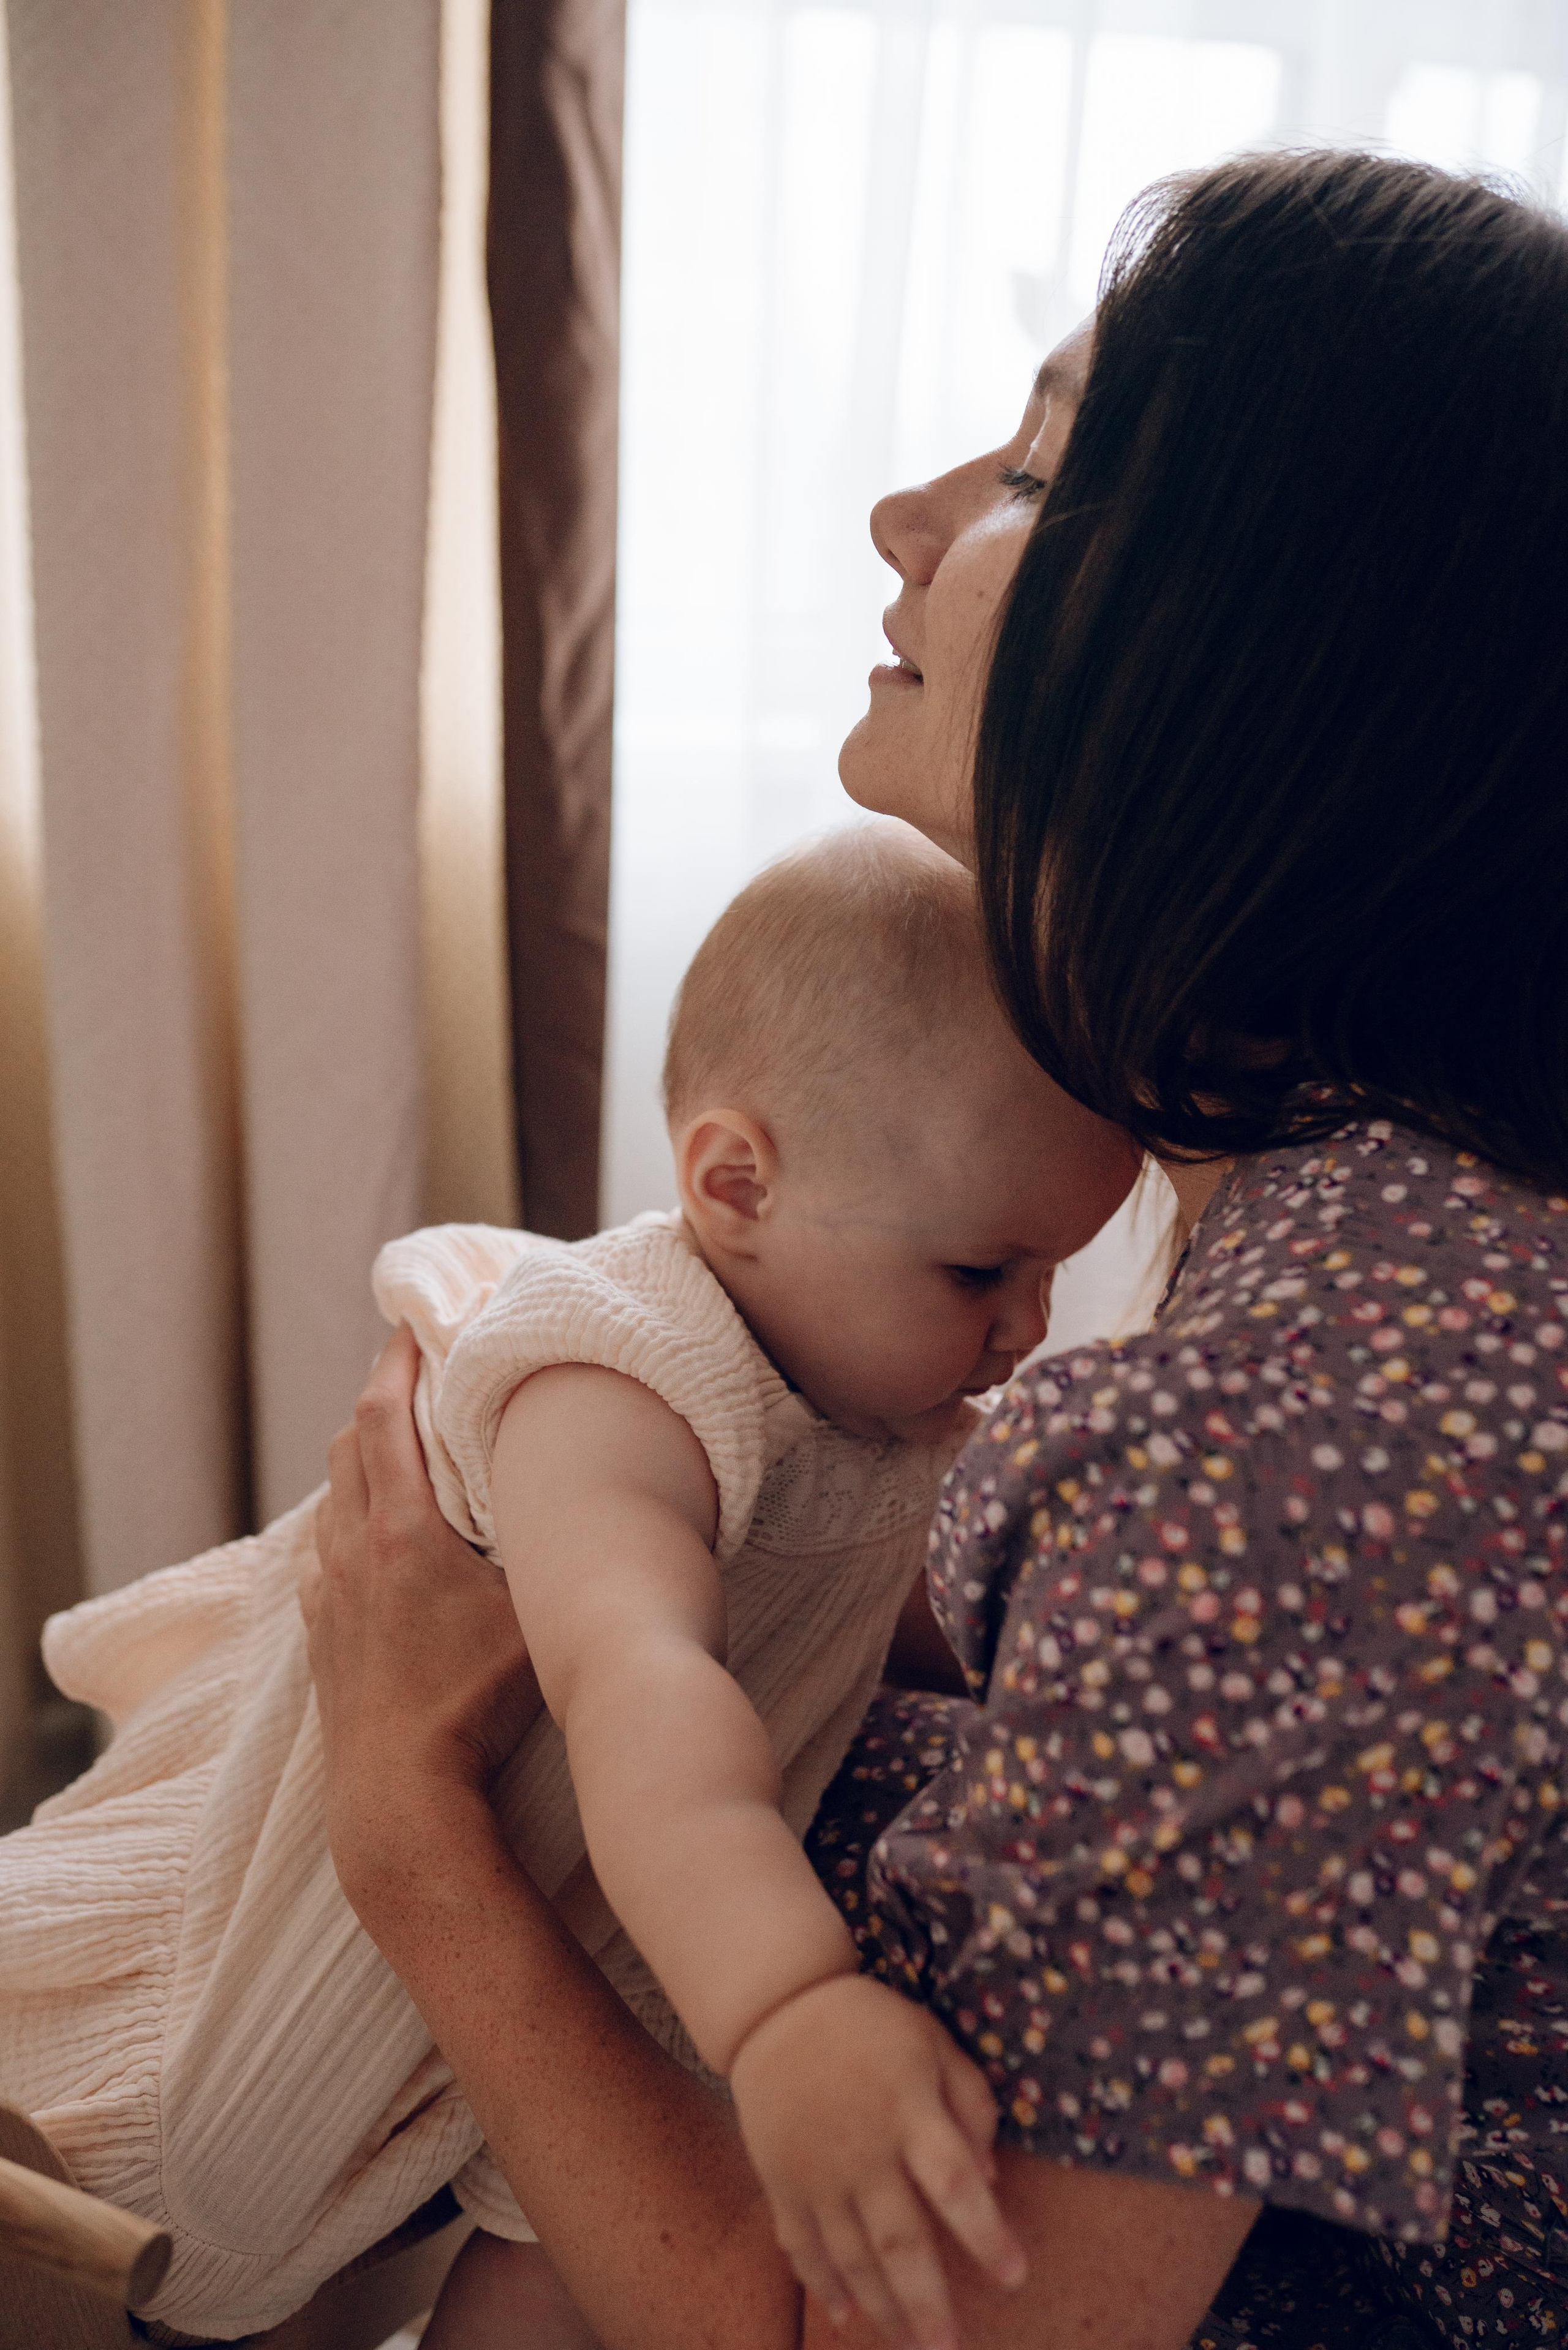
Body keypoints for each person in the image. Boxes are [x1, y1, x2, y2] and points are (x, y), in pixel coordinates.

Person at [303, 148, 1568, 2350]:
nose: (910, 511)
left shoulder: (1312, 1425)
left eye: (1044, 465)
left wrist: (406, 1819)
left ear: (1258, 655)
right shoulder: (1385, 1227)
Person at [0, 825, 1135, 2339]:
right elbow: (635, 1674)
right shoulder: (618, 1376)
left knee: (556, 2258)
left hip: (530, 2016)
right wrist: (787, 2004)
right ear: (735, 1184)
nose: (1026, 1331)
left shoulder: (885, 1420)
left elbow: (898, 1619)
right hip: (147, 2040)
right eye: (978, 1274)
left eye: (1054, 1274)